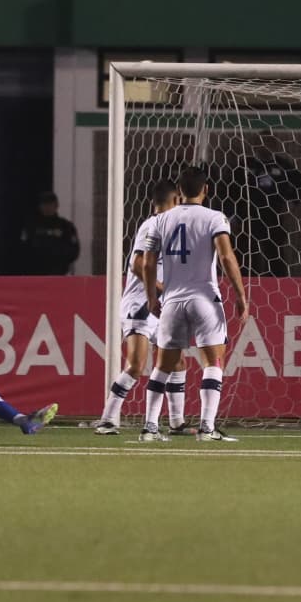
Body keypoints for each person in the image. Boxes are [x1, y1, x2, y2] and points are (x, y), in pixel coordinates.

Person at [139, 166, 250, 443]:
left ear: (179, 191)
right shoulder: (215, 218)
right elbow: (226, 257)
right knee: (213, 362)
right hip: (204, 298)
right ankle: (207, 427)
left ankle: (150, 428)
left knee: (162, 365)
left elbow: (149, 261)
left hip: (173, 300)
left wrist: (152, 297)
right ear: (206, 189)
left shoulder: (160, 220)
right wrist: (240, 296)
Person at [94, 180, 189, 435]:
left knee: (178, 361)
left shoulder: (172, 226)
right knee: (136, 364)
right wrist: (161, 288)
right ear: (177, 201)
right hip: (141, 304)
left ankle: (177, 423)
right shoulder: (152, 225)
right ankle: (107, 419)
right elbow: (137, 264)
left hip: (160, 303)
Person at [20, 192, 80, 275]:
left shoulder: (66, 226)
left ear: (56, 205)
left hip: (58, 273)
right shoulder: (31, 226)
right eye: (44, 204)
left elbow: (74, 250)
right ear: (40, 206)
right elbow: (23, 249)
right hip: (35, 274)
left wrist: (59, 259)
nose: (47, 207)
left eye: (50, 204)